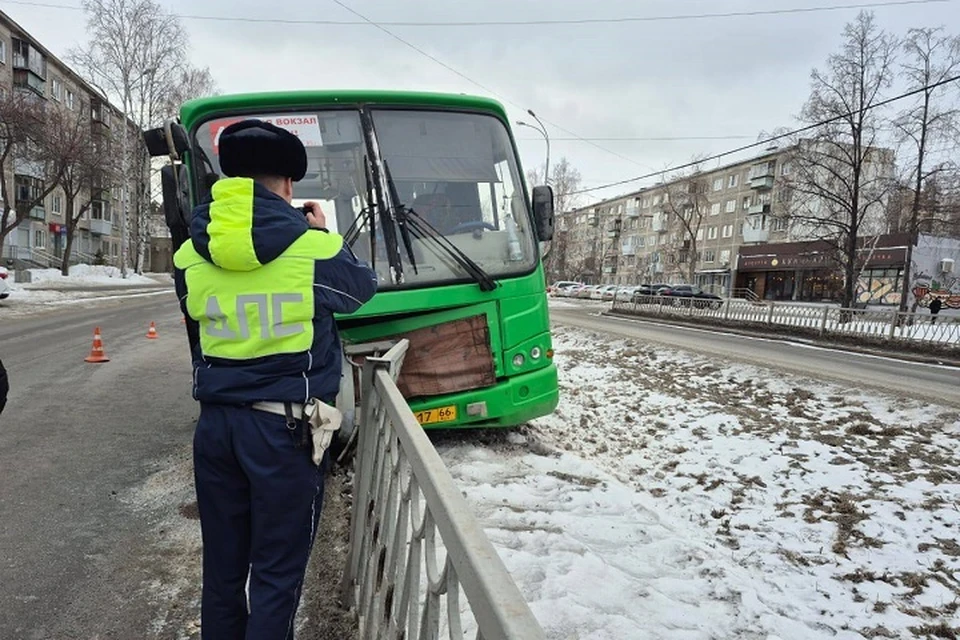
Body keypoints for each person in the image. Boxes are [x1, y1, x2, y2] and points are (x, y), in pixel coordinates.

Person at [173, 119, 378, 639]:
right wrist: (320, 231)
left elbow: (196, 330)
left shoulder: (192, 251)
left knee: (221, 572)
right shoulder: (312, 248)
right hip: (285, 433)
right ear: (288, 184)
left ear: (229, 178)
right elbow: (362, 289)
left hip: (216, 429)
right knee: (276, 576)